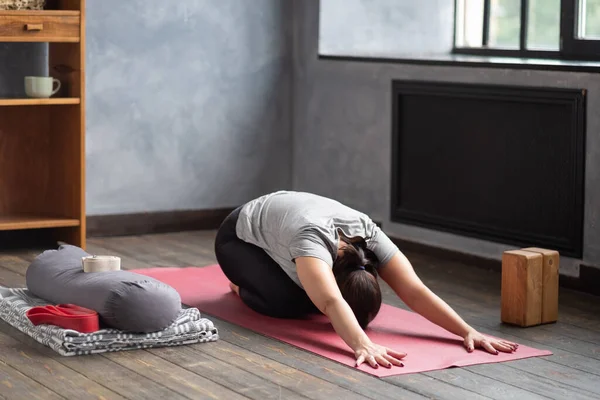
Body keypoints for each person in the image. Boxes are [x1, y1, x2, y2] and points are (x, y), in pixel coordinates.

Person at [214, 190, 518, 369]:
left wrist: (467, 331)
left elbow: (414, 289)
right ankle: (242, 286)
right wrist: (362, 344)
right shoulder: (310, 240)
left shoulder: (370, 234)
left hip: (287, 224)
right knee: (294, 301)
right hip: (238, 238)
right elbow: (332, 300)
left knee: (313, 293)